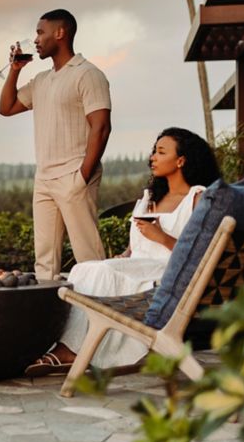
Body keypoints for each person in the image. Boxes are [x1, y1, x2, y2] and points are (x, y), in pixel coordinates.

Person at [24, 127, 222, 376]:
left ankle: (70, 351)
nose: (153, 157)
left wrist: (161, 237)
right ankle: (73, 346)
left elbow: (203, 254)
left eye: (161, 152)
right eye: (154, 151)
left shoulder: (197, 198)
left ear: (181, 160)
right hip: (138, 266)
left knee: (102, 273)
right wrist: (125, 255)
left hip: (167, 273)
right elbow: (136, 246)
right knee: (84, 269)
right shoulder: (149, 197)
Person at [0, 9, 111, 280]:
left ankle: (103, 306)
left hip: (74, 175)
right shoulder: (42, 80)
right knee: (44, 263)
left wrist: (82, 176)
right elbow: (6, 108)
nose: (36, 40)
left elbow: (101, 127)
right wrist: (14, 71)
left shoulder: (88, 74)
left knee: (88, 258)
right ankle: (47, 307)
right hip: (44, 179)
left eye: (40, 32)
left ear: (60, 33)